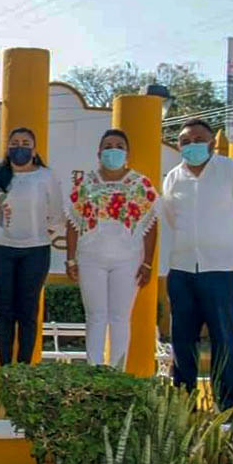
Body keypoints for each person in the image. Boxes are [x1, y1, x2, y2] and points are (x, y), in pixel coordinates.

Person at [163, 118, 233, 411]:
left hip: (222, 268)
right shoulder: (173, 177)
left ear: (212, 143)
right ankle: (183, 406)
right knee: (182, 340)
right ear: (178, 146)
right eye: (186, 141)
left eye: (199, 139)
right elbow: (172, 218)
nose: (192, 145)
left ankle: (224, 408)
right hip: (182, 269)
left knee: (223, 337)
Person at [65, 129, 159, 369]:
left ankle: (118, 372)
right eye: (108, 146)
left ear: (127, 152)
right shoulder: (87, 182)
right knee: (95, 316)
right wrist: (71, 260)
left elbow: (151, 223)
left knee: (119, 317)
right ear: (99, 152)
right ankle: (93, 370)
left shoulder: (140, 184)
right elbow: (73, 221)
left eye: (118, 145)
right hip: (90, 259)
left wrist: (147, 262)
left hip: (127, 260)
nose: (113, 150)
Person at [0, 127, 62, 366]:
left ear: (34, 150)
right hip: (0, 249)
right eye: (14, 142)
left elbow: (56, 213)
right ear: (7, 148)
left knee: (28, 311)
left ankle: (24, 369)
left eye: (25, 142)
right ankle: (4, 369)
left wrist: (42, 235)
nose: (19, 147)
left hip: (35, 251)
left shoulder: (46, 176)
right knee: (5, 311)